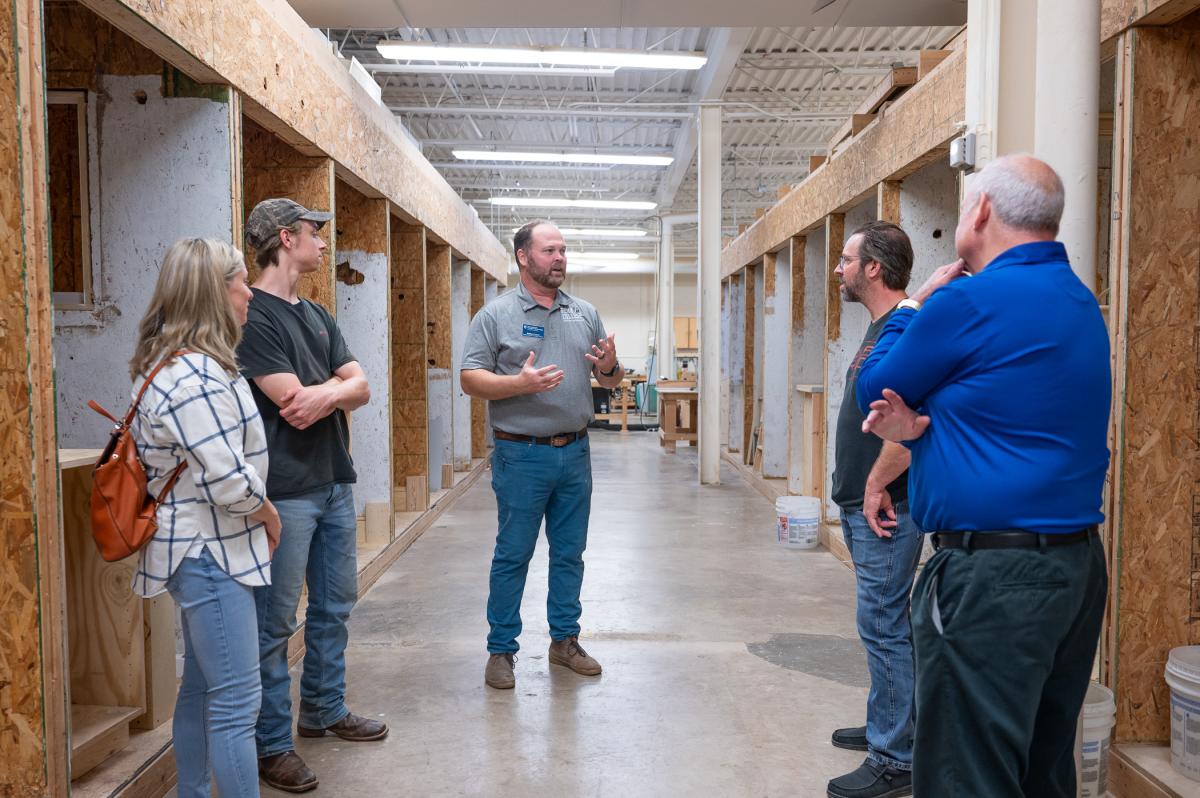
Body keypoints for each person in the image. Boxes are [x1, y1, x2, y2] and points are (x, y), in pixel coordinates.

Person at [856, 154, 1110, 798]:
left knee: (966, 772)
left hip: (992, 579)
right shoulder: (1078, 301)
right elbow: (1008, 411)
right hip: (1075, 569)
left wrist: (914, 304)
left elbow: (872, 386)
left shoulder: (967, 302)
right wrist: (924, 428)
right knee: (1040, 768)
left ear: (984, 212)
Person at [238, 199, 385, 793]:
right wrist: (336, 390)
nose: (323, 243)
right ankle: (272, 744)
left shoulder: (320, 314)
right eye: (314, 233)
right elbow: (289, 402)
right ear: (284, 238)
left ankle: (322, 708)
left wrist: (326, 393)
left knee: (334, 606)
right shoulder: (252, 315)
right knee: (275, 621)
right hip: (285, 492)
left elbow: (362, 387)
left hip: (333, 481)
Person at [129, 238, 281, 798]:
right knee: (238, 702)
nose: (249, 293)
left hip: (199, 551)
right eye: (240, 282)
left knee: (200, 687)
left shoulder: (178, 367)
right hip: (210, 553)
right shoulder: (195, 378)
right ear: (213, 293)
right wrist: (268, 513)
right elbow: (227, 482)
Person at [460, 219, 624, 690]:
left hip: (575, 452)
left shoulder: (584, 313)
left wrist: (610, 366)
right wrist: (518, 384)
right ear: (523, 257)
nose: (559, 258)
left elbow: (609, 380)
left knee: (570, 553)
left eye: (563, 250)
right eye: (549, 250)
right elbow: (470, 378)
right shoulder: (495, 315)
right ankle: (501, 650)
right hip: (521, 455)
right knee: (513, 554)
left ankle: (564, 641)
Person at [826, 222, 921, 798]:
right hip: (866, 502)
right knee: (883, 623)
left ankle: (895, 758)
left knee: (883, 625)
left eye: (845, 259)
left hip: (886, 507)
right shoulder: (887, 324)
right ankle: (891, 722)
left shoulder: (903, 327)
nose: (838, 269)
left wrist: (875, 483)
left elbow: (911, 421)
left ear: (873, 269)